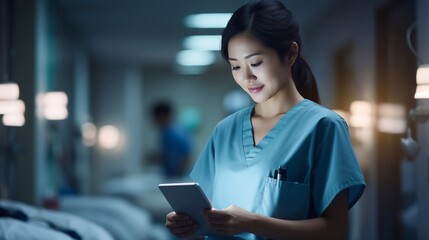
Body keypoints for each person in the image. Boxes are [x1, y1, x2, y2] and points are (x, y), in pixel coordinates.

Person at [165, 0, 365, 239]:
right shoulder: (225, 131)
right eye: (235, 67)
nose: (247, 77)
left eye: (256, 63)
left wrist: (252, 223)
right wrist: (184, 221)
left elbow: (334, 228)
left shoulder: (323, 127)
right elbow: (207, 208)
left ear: (290, 54)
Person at [151, 101, 192, 178]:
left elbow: (187, 156)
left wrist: (177, 175)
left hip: (178, 177)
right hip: (170, 176)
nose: (154, 120)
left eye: (156, 117)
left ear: (163, 115)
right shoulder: (165, 133)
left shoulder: (176, 133)